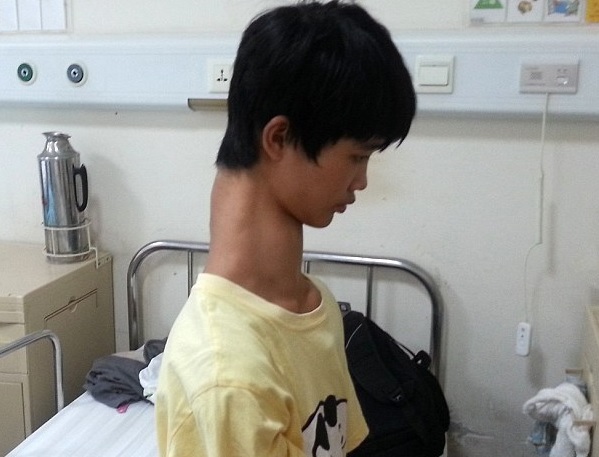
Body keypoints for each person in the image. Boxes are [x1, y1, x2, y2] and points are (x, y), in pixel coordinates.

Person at [155, 1, 416, 456]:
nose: (362, 181)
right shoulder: (228, 377)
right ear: (278, 138)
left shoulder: (312, 304)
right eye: (357, 156)